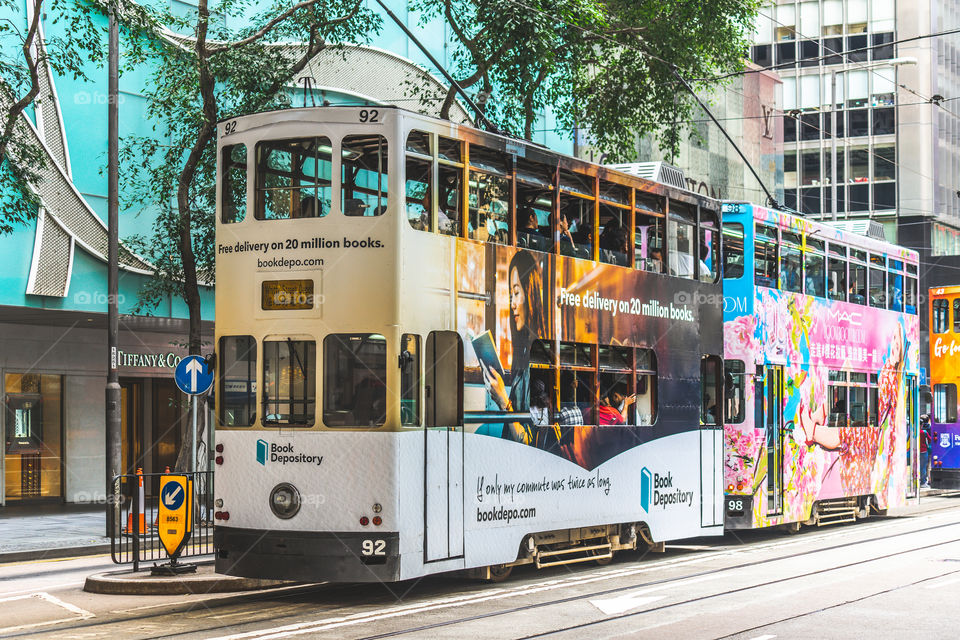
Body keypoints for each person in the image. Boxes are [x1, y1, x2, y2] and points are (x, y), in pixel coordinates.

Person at [482, 250, 547, 444]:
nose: (512, 304)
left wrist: (503, 399)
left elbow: (529, 441)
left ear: (531, 293)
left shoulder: (540, 361)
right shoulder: (524, 355)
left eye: (516, 293)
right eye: (511, 295)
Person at [920, 413, 931, 488]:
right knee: (925, 466)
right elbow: (930, 440)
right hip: (925, 450)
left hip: (916, 451)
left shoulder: (914, 431)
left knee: (919, 466)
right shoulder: (925, 432)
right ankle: (924, 481)